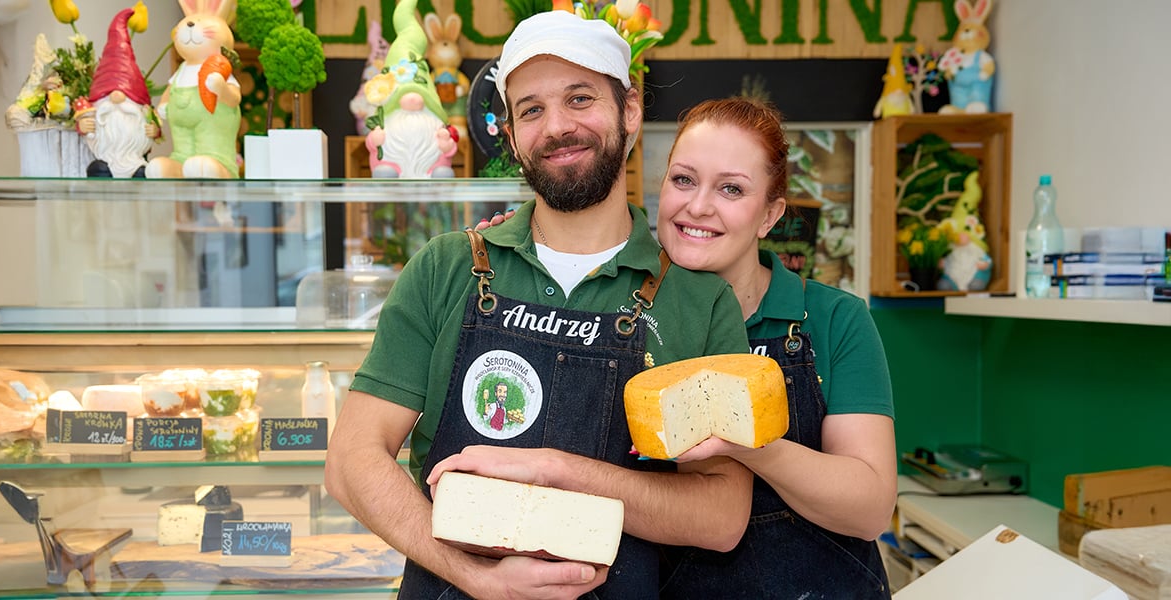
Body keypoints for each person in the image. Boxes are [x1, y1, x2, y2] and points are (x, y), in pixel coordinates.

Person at [324, 11, 754, 600]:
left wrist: (558, 471)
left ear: (629, 110)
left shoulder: (698, 301)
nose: (557, 127)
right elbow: (352, 461)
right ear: (510, 133)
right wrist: (478, 578)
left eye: (580, 99)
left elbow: (722, 515)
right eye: (531, 110)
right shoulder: (447, 267)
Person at [655, 97, 896, 598]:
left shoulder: (834, 319)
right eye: (683, 179)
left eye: (731, 188)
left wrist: (746, 443)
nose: (698, 206)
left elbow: (871, 508)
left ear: (769, 215)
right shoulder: (623, 313)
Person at [74, 7, 160, 178]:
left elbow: (155, 128)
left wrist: (155, 130)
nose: (116, 97)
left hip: (135, 162)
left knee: (144, 174)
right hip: (105, 162)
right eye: (108, 93)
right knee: (97, 170)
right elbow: (83, 124)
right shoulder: (97, 115)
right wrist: (82, 126)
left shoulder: (142, 115)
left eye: (126, 94)